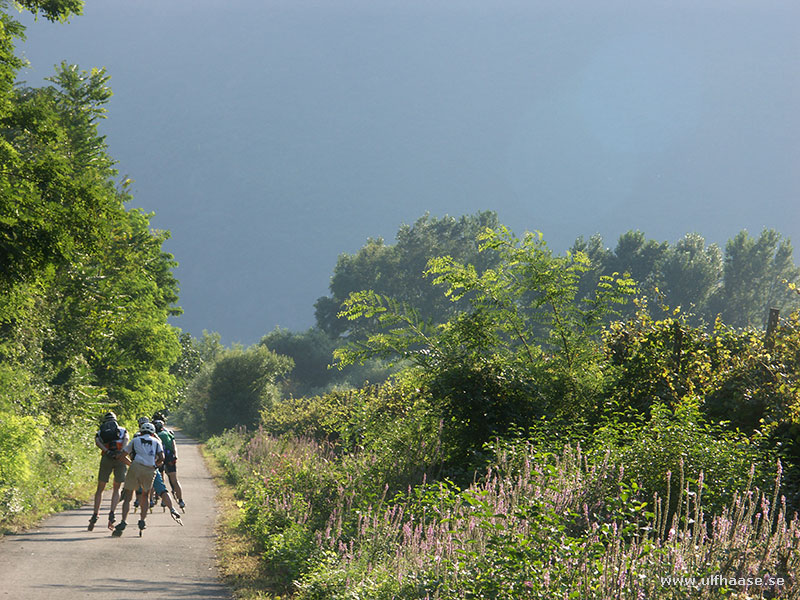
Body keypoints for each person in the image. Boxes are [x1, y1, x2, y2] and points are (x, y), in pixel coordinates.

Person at [112, 422, 164, 537]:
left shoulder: (135, 440)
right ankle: (142, 520)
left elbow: (122, 455)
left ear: (141, 431)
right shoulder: (156, 442)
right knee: (145, 495)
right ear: (152, 432)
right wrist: (155, 465)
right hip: (150, 469)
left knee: (128, 496)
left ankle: (124, 521)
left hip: (136, 466)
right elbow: (162, 457)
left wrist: (131, 464)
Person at [89, 412, 129, 531]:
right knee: (116, 488)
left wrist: (107, 451)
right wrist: (120, 452)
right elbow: (126, 440)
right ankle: (112, 513)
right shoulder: (122, 430)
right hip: (120, 458)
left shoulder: (101, 431)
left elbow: (97, 442)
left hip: (106, 458)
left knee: (100, 488)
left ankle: (96, 513)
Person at [154, 419, 185, 511]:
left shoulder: (155, 435)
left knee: (160, 478)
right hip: (170, 456)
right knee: (174, 480)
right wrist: (175, 455)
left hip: (160, 457)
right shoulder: (168, 433)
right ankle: (181, 500)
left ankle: (162, 498)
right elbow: (173, 444)